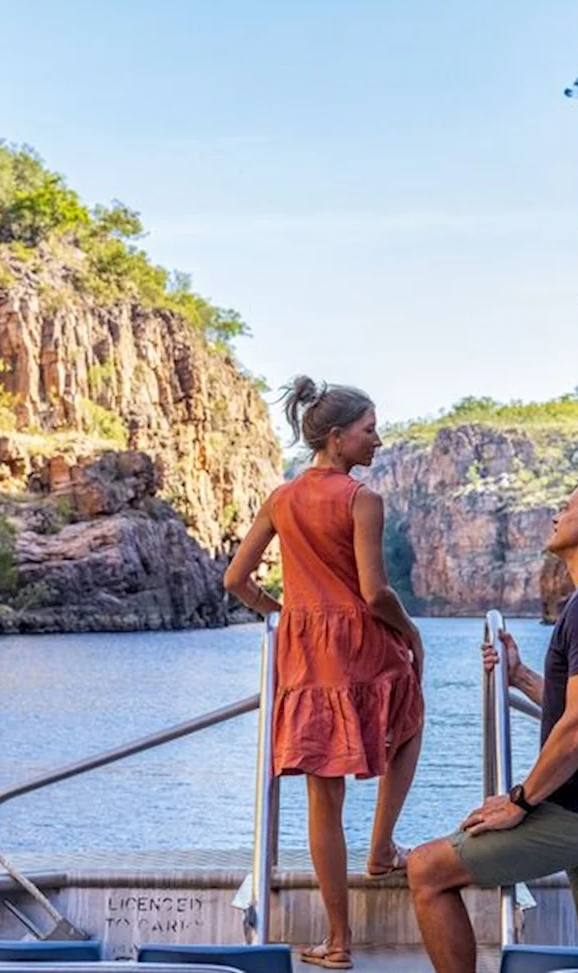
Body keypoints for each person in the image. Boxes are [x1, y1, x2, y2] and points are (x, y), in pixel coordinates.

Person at [407, 473, 578, 973]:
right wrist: (521, 675)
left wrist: (520, 801)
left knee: (426, 870)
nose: (555, 516)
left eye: (567, 507)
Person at [224, 376, 425, 971]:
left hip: (305, 652)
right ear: (337, 438)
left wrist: (285, 616)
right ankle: (381, 848)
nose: (378, 440)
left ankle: (338, 942)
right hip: (362, 644)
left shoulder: (280, 498)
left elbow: (235, 580)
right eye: (369, 431)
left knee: (322, 795)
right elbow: (376, 592)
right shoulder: (362, 500)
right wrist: (411, 632)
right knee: (409, 721)